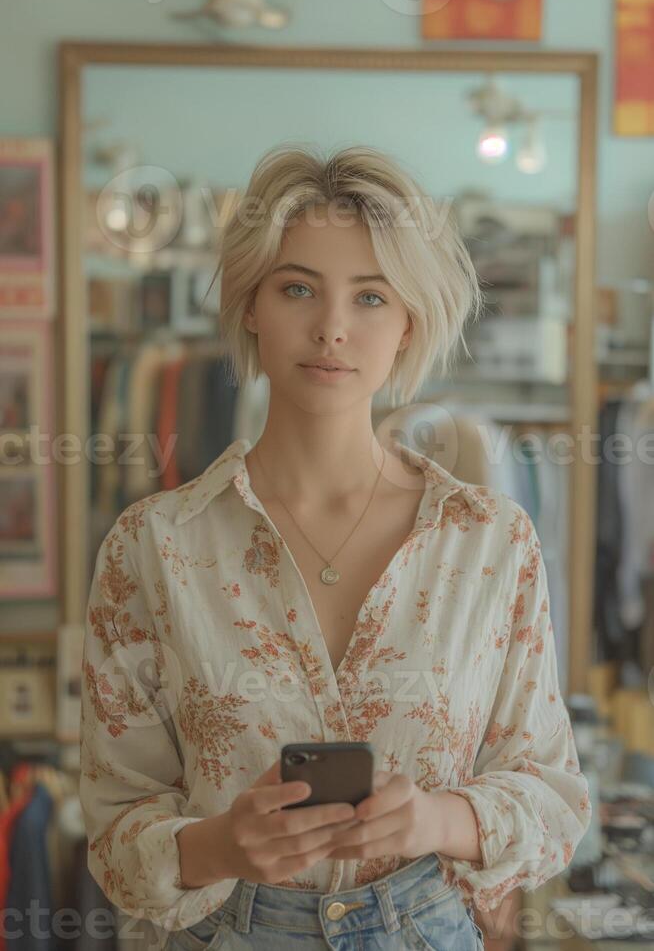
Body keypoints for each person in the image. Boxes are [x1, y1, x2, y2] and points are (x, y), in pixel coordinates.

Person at [79, 144, 592, 950]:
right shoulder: (153, 546)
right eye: (297, 289)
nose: (332, 329)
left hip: (425, 928)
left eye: (372, 297)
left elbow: (553, 801)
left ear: (410, 321)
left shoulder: (490, 541)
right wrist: (219, 844)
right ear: (251, 304)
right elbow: (113, 833)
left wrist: (433, 818)